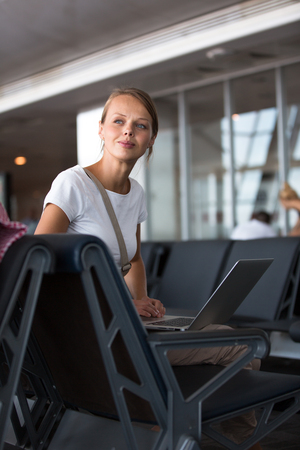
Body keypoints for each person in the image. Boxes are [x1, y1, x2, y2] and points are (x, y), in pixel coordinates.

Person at [35, 87, 262, 448]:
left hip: (122, 327)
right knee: (238, 346)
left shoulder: (134, 192)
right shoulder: (73, 183)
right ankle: (230, 441)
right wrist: (123, 307)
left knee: (221, 334)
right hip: (92, 338)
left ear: (151, 138)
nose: (128, 131)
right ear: (101, 129)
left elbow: (134, 258)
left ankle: (166, 426)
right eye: (119, 121)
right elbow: (39, 269)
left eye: (140, 126)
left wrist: (140, 305)